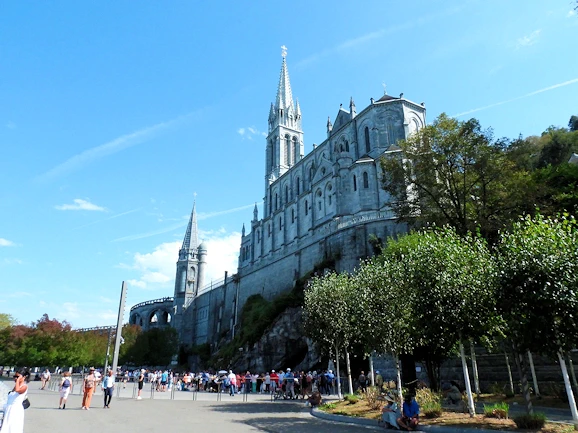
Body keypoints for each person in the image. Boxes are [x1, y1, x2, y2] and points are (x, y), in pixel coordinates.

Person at [1, 369, 29, 433]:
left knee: (14, 427)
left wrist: (18, 381)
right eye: (15, 377)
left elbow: (17, 390)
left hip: (16, 409)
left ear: (24, 377)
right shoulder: (16, 386)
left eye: (17, 377)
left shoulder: (24, 386)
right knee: (7, 427)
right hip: (9, 409)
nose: (15, 378)